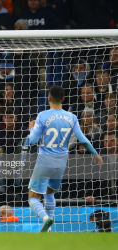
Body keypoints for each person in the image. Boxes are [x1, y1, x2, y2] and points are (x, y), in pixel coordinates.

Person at [28, 85, 103, 232]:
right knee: (50, 194)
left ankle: (45, 218)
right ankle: (48, 230)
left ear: (49, 99)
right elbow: (83, 140)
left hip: (45, 160)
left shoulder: (43, 115)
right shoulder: (72, 117)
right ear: (63, 99)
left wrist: (32, 129)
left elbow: (32, 140)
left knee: (33, 196)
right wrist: (96, 154)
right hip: (61, 163)